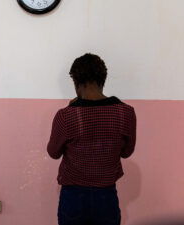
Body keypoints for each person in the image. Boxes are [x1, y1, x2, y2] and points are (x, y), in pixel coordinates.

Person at [47, 53, 137, 225]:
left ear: (75, 82)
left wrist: (71, 107)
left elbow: (53, 152)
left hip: (73, 196)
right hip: (106, 195)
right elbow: (127, 152)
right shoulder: (126, 113)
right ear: (103, 79)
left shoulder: (66, 115)